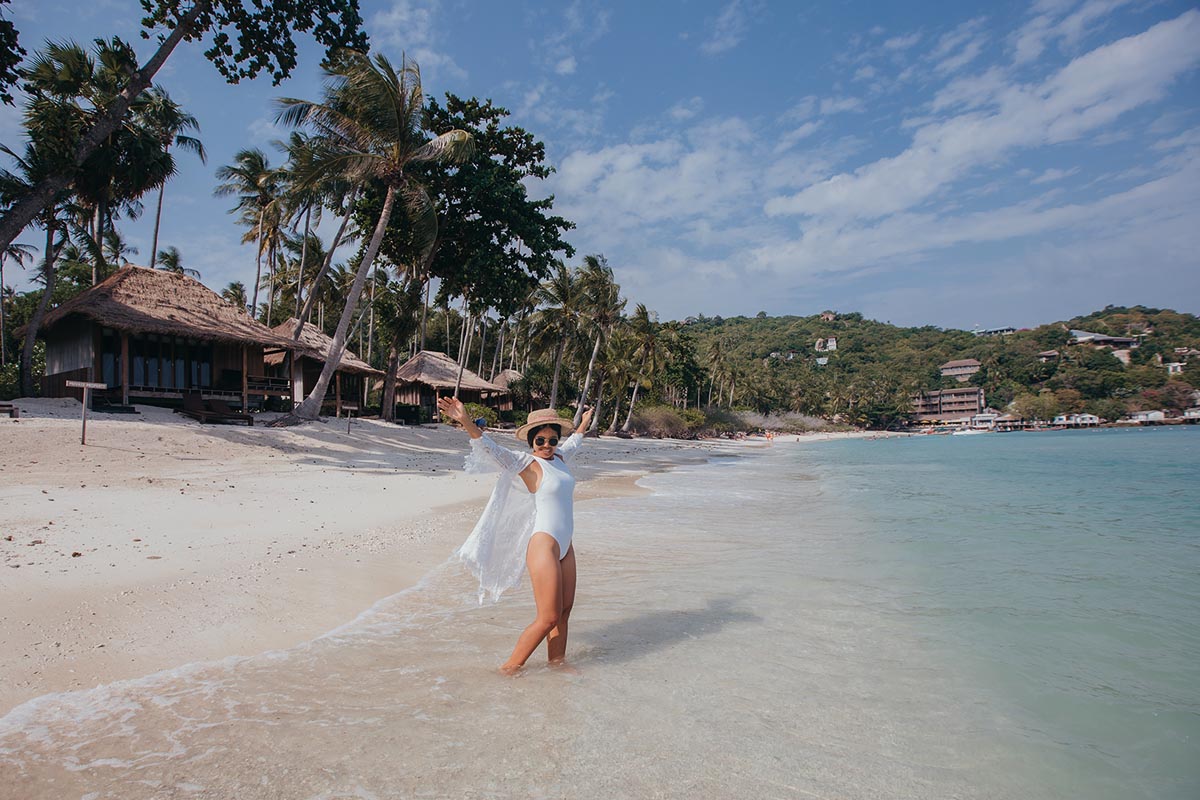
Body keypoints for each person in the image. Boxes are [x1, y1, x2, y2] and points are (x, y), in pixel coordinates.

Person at [437, 398, 595, 674]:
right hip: (544, 544)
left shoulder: (559, 458)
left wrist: (582, 425)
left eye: (552, 440)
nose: (547, 446)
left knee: (564, 611)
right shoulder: (526, 463)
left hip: (566, 546)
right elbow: (491, 449)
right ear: (531, 442)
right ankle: (509, 669)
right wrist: (465, 421)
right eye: (540, 441)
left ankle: (557, 663)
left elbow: (575, 443)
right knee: (548, 617)